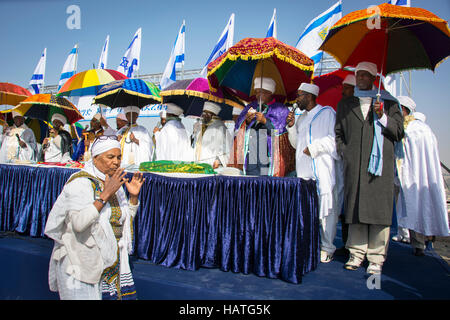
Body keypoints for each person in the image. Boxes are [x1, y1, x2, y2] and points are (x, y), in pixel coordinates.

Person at [44, 136, 145, 300]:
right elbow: (79, 223)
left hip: (115, 266)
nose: (116, 162)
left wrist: (133, 198)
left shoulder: (114, 185)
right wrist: (105, 194)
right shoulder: (80, 182)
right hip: (82, 265)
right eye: (110, 157)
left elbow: (120, 223)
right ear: (95, 158)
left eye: (119, 157)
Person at [335, 62, 404, 275]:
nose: (361, 78)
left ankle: (376, 258)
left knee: (377, 213)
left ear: (374, 78)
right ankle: (356, 254)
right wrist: (345, 152)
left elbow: (399, 132)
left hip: (379, 169)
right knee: (355, 210)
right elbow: (339, 132)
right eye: (358, 75)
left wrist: (382, 115)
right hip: (354, 165)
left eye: (366, 75)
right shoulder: (346, 104)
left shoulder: (390, 103)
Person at [286, 83, 340, 263]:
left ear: (309, 96)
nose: (297, 99)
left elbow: (335, 141)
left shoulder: (327, 113)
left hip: (321, 169)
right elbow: (295, 144)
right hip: (304, 171)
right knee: (308, 209)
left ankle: (327, 247)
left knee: (326, 211)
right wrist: (292, 126)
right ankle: (310, 244)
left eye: (300, 95)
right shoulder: (301, 118)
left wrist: (315, 147)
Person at [395, 96, 449, 256]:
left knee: (415, 206)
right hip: (401, 173)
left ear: (403, 109)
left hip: (414, 174)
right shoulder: (415, 128)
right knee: (406, 207)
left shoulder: (416, 129)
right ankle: (407, 236)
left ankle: (418, 242)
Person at [228, 77, 295, 176]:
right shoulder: (250, 107)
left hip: (268, 161)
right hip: (250, 159)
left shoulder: (281, 109)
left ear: (269, 93)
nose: (258, 95)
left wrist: (265, 121)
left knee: (265, 188)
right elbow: (238, 129)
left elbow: (281, 136)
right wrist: (247, 121)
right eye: (257, 92)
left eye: (262, 92)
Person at [193, 101, 232, 169]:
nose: (203, 115)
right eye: (203, 113)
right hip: (200, 163)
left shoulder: (220, 127)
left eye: (206, 113)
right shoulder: (203, 127)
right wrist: (194, 133)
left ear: (212, 115)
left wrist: (219, 161)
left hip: (213, 165)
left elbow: (227, 148)